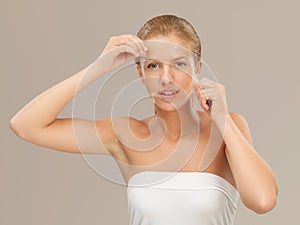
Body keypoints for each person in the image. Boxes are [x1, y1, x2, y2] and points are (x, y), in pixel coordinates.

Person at [10, 14, 278, 225]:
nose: (166, 78)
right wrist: (99, 66)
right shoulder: (125, 134)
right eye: (153, 65)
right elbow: (25, 125)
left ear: (197, 69)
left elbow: (263, 201)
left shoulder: (229, 128)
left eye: (179, 64)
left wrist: (223, 120)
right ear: (140, 73)